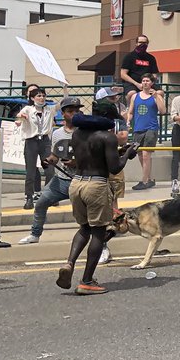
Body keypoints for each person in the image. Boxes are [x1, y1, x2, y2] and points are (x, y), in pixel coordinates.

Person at [56, 109, 139, 296]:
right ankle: (86, 281)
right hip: (97, 185)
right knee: (99, 232)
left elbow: (89, 157)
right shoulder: (107, 137)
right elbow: (115, 167)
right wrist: (128, 154)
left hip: (77, 183)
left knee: (84, 228)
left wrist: (121, 152)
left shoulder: (77, 134)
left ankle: (69, 262)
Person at [19, 96, 82, 245]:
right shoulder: (57, 133)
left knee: (85, 214)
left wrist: (76, 162)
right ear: (63, 113)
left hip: (81, 180)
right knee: (41, 203)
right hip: (61, 180)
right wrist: (49, 160)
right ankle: (35, 234)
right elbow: (55, 155)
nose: (74, 114)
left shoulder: (85, 132)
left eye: (77, 111)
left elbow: (93, 156)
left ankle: (101, 243)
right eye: (70, 111)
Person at [16, 86, 55, 209]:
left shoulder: (49, 109)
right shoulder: (28, 109)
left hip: (44, 140)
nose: (41, 98)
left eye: (43, 95)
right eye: (38, 96)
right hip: (31, 141)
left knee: (50, 170)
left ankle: (48, 196)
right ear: (32, 98)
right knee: (31, 171)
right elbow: (19, 117)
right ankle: (29, 197)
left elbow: (63, 102)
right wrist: (21, 118)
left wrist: (64, 88)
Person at [127, 74, 165, 190]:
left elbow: (163, 110)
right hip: (138, 128)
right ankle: (148, 178)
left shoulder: (156, 95)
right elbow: (131, 111)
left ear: (151, 83)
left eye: (147, 81)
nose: (145, 83)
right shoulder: (135, 96)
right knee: (139, 154)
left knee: (146, 155)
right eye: (143, 81)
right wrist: (128, 120)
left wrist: (156, 97)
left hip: (151, 128)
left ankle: (144, 181)